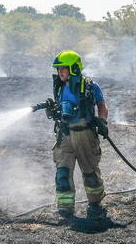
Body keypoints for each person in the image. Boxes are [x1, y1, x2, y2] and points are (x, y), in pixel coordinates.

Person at [46, 50, 109, 222]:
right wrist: (53, 110)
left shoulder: (90, 86)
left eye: (63, 69)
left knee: (90, 173)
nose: (60, 72)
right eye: (59, 69)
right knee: (62, 174)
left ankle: (95, 205)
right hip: (65, 135)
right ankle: (65, 210)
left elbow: (102, 106)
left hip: (85, 134)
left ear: (74, 68)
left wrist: (102, 122)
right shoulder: (60, 87)